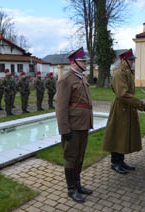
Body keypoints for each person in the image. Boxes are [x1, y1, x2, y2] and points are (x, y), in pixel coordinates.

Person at [56, 47, 93, 203]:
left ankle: (77, 184)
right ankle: (71, 189)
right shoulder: (65, 79)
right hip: (72, 125)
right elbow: (60, 106)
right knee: (71, 157)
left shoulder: (81, 78)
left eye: (85, 60)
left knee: (80, 156)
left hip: (83, 124)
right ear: (74, 62)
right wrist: (64, 129)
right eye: (83, 60)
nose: (86, 63)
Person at [102, 49, 145, 175]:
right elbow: (122, 94)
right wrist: (140, 104)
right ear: (123, 60)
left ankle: (121, 161)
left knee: (124, 135)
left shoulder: (128, 72)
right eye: (130, 60)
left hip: (127, 107)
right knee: (118, 135)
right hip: (120, 108)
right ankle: (115, 162)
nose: (132, 62)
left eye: (133, 60)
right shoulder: (119, 74)